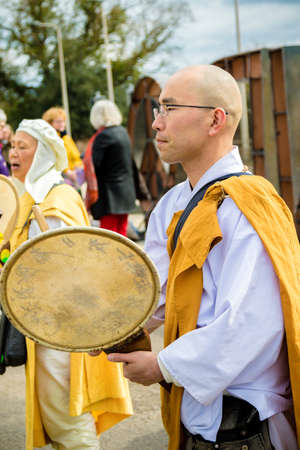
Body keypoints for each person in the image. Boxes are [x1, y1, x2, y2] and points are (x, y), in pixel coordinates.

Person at [106, 65, 300, 449]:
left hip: (245, 429)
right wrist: (108, 325)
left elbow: (251, 324)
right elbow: (155, 293)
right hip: (195, 419)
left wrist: (162, 365)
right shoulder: (173, 203)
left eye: (169, 108)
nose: (157, 124)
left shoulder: (249, 206)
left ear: (215, 119)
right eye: (157, 110)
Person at [9, 119, 133, 449]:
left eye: (23, 146)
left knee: (68, 420)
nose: (13, 152)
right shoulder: (36, 195)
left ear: (46, 154)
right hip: (47, 326)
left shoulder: (55, 202)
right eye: (12, 146)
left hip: (60, 329)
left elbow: (61, 270)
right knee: (60, 416)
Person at [83, 99, 136, 236]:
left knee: (109, 239)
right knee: (122, 236)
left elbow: (95, 166)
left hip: (110, 197)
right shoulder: (123, 132)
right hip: (125, 193)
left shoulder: (103, 136)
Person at [42, 107, 85, 189]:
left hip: (75, 175)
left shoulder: (66, 138)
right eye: (58, 122)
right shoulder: (50, 139)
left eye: (63, 121)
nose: (62, 124)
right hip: (62, 177)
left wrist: (78, 169)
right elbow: (55, 159)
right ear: (50, 123)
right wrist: (68, 172)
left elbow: (76, 156)